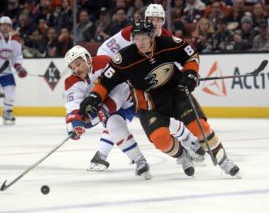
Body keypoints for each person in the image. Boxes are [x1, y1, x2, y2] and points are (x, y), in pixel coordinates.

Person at [79, 20, 240, 177]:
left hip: (177, 94)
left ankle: (224, 160)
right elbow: (105, 81)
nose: (140, 42)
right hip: (150, 104)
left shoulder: (168, 44)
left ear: (152, 36)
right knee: (160, 140)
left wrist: (190, 73)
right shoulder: (124, 58)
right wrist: (94, 96)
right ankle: (182, 155)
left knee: (201, 127)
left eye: (143, 38)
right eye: (136, 38)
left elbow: (190, 55)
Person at [92, 4, 204, 171]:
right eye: (151, 19)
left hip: (146, 85)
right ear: (145, 20)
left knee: (160, 113)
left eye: (158, 19)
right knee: (115, 116)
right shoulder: (130, 32)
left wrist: (189, 74)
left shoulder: (165, 38)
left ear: (163, 21)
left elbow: (170, 66)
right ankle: (103, 153)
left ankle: (189, 140)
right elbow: (104, 50)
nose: (155, 22)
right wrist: (118, 74)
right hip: (124, 82)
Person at [63, 45, 152, 179]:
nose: (76, 69)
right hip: (118, 109)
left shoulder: (104, 62)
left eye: (78, 64)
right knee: (113, 125)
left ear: (87, 59)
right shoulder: (71, 82)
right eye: (72, 67)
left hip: (135, 97)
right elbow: (73, 104)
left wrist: (103, 110)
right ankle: (139, 160)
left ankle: (191, 142)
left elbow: (120, 88)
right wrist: (75, 123)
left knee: (167, 123)